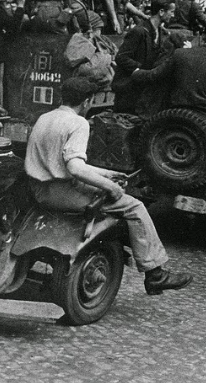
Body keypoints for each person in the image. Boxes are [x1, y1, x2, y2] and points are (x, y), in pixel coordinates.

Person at [25, 77, 192, 295]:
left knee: (112, 188)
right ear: (87, 101)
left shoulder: (45, 118)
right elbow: (74, 168)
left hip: (39, 190)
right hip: (61, 193)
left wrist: (107, 174)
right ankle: (155, 274)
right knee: (135, 207)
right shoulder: (79, 123)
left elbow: (61, 163)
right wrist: (110, 187)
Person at [111, 0, 174, 114]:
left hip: (142, 89)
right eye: (171, 12)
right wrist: (139, 70)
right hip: (127, 89)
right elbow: (121, 57)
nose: (173, 15)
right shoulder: (138, 31)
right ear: (161, 12)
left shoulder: (160, 32)